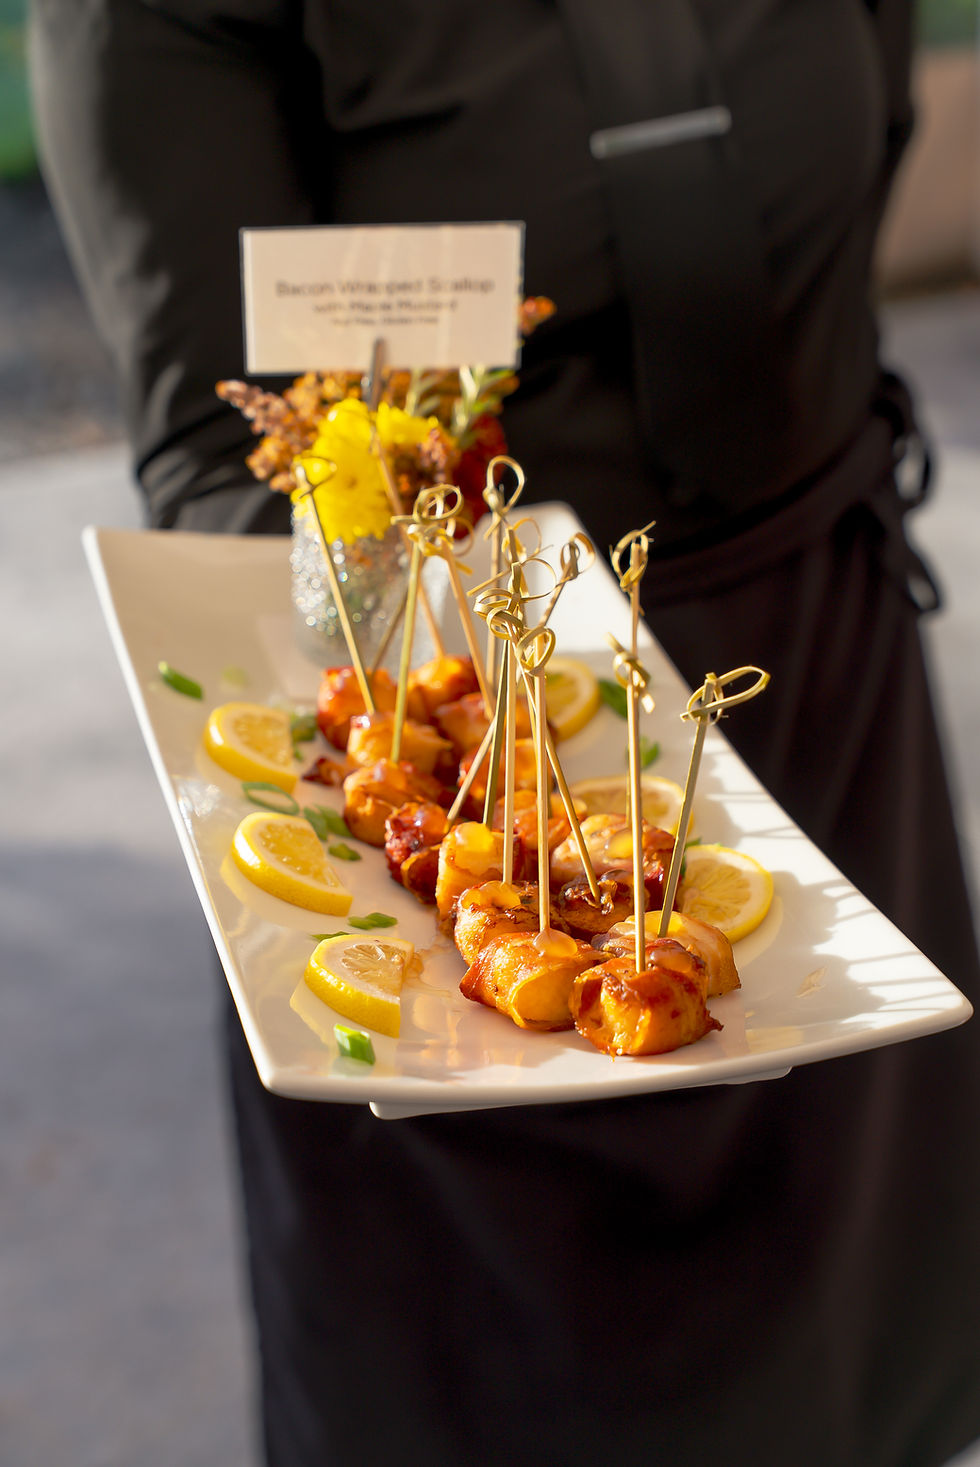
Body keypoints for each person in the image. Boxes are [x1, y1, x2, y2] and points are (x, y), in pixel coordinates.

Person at [29, 3, 980, 1464]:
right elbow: (219, 447)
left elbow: (861, 153)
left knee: (859, 1347)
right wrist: (447, 739)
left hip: (816, 680)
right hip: (454, 783)